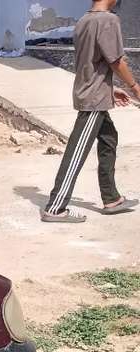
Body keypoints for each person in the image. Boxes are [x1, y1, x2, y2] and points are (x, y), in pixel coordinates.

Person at [42, 0, 140, 223]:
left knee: (108, 138)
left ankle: (111, 198)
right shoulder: (108, 20)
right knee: (77, 151)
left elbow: (90, 62)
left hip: (92, 92)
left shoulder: (84, 20)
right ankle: (55, 207)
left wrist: (110, 89)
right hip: (93, 98)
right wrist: (134, 87)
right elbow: (115, 60)